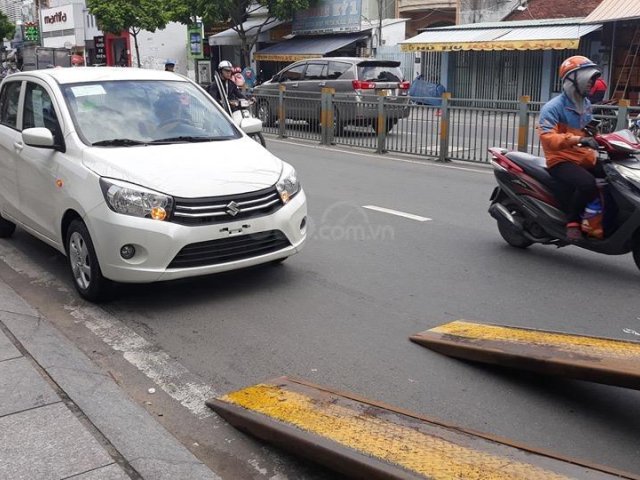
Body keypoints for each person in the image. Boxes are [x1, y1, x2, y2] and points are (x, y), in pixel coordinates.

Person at [537, 55, 604, 241]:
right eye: (589, 78)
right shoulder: (553, 108)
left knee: (612, 175)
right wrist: (577, 140)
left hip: (583, 156)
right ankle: (572, 222)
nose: (592, 83)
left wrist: (596, 137)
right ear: (573, 79)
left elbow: (588, 132)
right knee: (587, 183)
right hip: (560, 160)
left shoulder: (586, 105)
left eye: (593, 79)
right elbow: (547, 137)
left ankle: (600, 217)